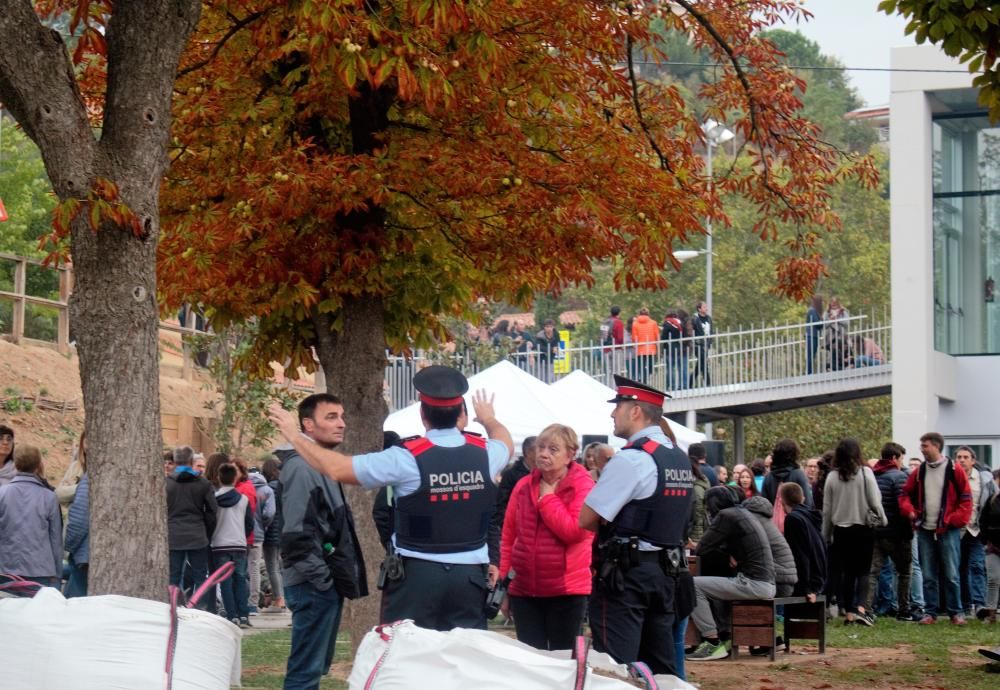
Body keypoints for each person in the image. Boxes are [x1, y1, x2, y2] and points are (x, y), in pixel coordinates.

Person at [269, 367, 511, 633]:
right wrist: (489, 419)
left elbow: (336, 468)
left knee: (405, 659)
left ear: (422, 413)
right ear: (460, 414)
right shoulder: (487, 455)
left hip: (417, 578)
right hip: (470, 580)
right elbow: (505, 441)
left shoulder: (405, 458)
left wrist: (294, 435)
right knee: (462, 660)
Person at [578, 376, 694, 677]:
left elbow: (586, 518)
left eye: (618, 407)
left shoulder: (631, 459)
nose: (612, 414)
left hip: (628, 577)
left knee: (616, 669)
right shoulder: (678, 457)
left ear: (635, 412)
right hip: (666, 574)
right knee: (661, 668)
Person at [276, 393, 367, 690]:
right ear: (308, 425)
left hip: (320, 583)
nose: (341, 424)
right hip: (312, 585)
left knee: (312, 670)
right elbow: (295, 536)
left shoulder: (319, 464)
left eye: (341, 416)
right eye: (331, 417)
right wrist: (323, 580)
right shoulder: (303, 467)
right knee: (305, 673)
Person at [498, 424, 595, 650]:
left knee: (563, 661)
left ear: (570, 455)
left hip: (567, 591)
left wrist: (548, 499)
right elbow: (509, 536)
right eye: (541, 447)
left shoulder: (583, 486)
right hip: (524, 590)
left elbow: (574, 532)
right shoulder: (523, 486)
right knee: (531, 661)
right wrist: (506, 586)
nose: (543, 454)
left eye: (553, 449)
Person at [687, 486, 776, 662]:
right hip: (766, 582)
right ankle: (722, 636)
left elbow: (702, 548)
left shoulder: (725, 516)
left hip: (753, 583)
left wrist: (691, 545)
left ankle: (712, 641)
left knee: (693, 584)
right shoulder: (744, 513)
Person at [899, 432, 972, 625]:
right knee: (928, 573)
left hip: (948, 529)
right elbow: (905, 494)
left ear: (936, 446)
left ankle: (956, 612)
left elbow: (966, 499)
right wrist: (910, 511)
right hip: (925, 529)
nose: (922, 449)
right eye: (921, 445)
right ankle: (930, 613)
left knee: (951, 573)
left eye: (925, 446)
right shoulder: (919, 471)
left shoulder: (954, 470)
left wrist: (955, 520)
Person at [822, 438, 886, 626]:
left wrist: (825, 534)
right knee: (864, 572)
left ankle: (849, 614)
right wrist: (883, 518)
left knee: (847, 573)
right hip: (863, 527)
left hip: (841, 529)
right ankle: (861, 609)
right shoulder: (866, 473)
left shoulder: (832, 477)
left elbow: (827, 510)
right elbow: (874, 501)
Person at [865, 442, 919, 622]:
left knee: (873, 572)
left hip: (876, 532)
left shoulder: (872, 476)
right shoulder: (899, 477)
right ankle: (903, 610)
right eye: (901, 458)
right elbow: (903, 503)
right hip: (898, 532)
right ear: (895, 458)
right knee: (904, 572)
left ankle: (866, 609)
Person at [0, 444, 62, 587]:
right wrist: (57, 574)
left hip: (6, 569)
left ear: (15, 464)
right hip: (41, 570)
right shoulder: (49, 497)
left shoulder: (2, 493)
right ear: (38, 465)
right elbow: (55, 539)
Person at [166, 445, 218, 608]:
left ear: (175, 461)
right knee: (200, 575)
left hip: (173, 534)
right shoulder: (203, 483)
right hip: (197, 534)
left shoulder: (166, 483)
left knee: (173, 576)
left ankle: (174, 607)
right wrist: (207, 531)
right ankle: (200, 608)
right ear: (191, 461)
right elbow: (212, 511)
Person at [211, 463, 254, 628]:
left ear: (219, 478)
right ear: (235, 478)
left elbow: (211, 521)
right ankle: (243, 614)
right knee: (240, 579)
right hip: (239, 544)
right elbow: (249, 523)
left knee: (225, 582)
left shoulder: (214, 499)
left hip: (220, 544)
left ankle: (231, 615)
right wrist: (242, 535)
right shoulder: (243, 500)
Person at [956, 446, 995, 617]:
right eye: (959, 457)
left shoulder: (983, 480)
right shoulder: (951, 478)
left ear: (973, 460)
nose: (962, 460)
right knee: (959, 569)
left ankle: (979, 604)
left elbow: (993, 501)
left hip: (976, 529)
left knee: (978, 566)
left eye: (965, 457)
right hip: (956, 531)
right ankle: (965, 605)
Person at [779, 482, 827, 601]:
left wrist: (808, 588)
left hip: (807, 583)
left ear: (782, 501)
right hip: (819, 577)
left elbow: (799, 555)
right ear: (802, 498)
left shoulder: (793, 519)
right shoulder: (811, 516)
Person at [63, 436, 90, 597]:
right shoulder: (76, 467)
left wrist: (68, 545)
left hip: (83, 553)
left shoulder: (89, 478)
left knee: (73, 603)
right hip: (85, 552)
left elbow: (80, 519)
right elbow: (59, 493)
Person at [249, 465, 276, 615]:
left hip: (240, 535)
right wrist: (263, 525)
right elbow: (269, 513)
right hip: (258, 534)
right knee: (254, 568)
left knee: (240, 570)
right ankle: (253, 602)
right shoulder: (267, 491)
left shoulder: (242, 487)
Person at [496, 436, 536, 532]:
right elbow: (501, 503)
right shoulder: (511, 475)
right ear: (528, 452)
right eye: (540, 448)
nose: (544, 453)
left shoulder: (544, 472)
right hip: (517, 528)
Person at [261, 456, 285, 610]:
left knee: (272, 566)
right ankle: (284, 596)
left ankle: (279, 598)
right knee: (281, 565)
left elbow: (267, 513)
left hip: (271, 532)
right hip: (284, 531)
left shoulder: (268, 489)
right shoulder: (285, 487)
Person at [762, 439, 813, 509]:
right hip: (796, 518)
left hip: (774, 518)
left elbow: (764, 503)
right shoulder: (799, 474)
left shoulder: (768, 478)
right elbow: (808, 502)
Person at [631, 308, 660, 384]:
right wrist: (658, 345)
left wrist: (635, 344)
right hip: (651, 348)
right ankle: (646, 376)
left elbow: (634, 337)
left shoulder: (635, 323)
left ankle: (643, 379)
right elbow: (657, 335)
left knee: (641, 366)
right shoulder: (653, 323)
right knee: (651, 366)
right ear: (648, 314)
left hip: (640, 348)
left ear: (639, 314)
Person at [823, 297, 850, 371]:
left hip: (841, 336)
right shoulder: (826, 313)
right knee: (832, 353)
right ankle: (830, 367)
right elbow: (824, 325)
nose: (834, 306)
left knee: (843, 351)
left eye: (835, 304)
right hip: (831, 337)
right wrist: (831, 320)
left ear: (838, 304)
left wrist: (837, 319)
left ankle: (844, 366)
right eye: (832, 305)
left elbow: (847, 323)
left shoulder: (843, 312)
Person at [690, 301, 713, 387]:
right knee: (704, 364)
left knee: (700, 364)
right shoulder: (695, 319)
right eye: (704, 307)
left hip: (706, 345)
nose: (706, 308)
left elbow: (711, 331)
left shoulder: (709, 318)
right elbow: (691, 331)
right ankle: (708, 384)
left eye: (706, 306)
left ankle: (691, 381)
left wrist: (710, 343)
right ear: (699, 309)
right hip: (698, 345)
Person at [805, 295, 823, 375]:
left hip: (814, 335)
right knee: (810, 355)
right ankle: (809, 373)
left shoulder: (815, 311)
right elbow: (817, 324)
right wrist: (822, 320)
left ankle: (810, 372)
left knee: (812, 355)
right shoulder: (812, 310)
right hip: (811, 335)